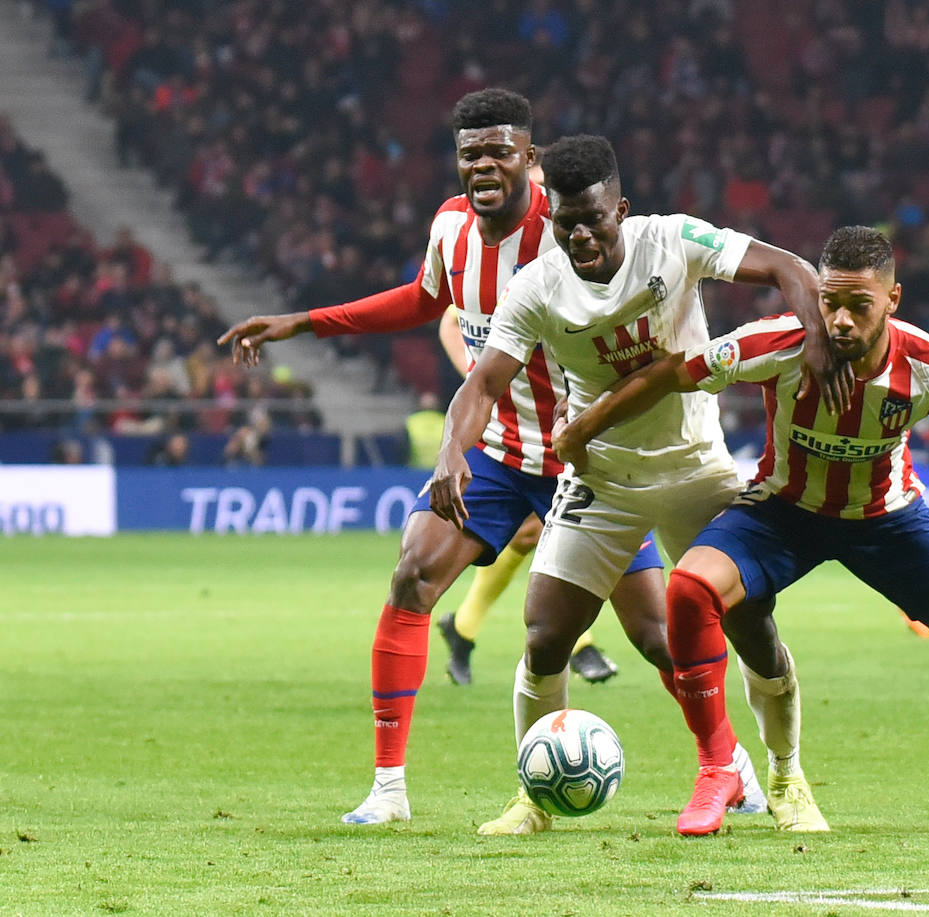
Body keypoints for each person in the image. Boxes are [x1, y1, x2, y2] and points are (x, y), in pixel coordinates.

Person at [553, 224, 929, 837]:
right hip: (784, 513)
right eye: (829, 303)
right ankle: (716, 769)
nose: (838, 321)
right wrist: (584, 424)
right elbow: (672, 372)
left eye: (859, 306)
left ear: (893, 300)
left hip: (888, 522)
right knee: (689, 588)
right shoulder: (775, 343)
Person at [217, 89, 692, 829]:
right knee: (412, 572)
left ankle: (732, 768)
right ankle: (388, 788)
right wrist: (303, 322)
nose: (483, 165)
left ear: (530, 159)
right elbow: (417, 299)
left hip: (583, 461)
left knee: (657, 634)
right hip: (498, 456)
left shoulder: (567, 234)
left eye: (500, 150)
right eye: (470, 152)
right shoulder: (450, 226)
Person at [426, 133, 849, 835]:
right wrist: (451, 452)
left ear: (621, 208)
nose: (581, 234)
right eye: (566, 222)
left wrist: (816, 335)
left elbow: (788, 266)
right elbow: (484, 382)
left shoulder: (673, 240)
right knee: (545, 633)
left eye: (594, 217)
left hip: (697, 470)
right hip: (604, 480)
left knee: (751, 626)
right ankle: (533, 798)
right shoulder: (536, 286)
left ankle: (787, 775)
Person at [431, 303, 620, 686]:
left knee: (535, 532)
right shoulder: (510, 272)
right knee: (546, 529)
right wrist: (477, 377)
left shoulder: (575, 273)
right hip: (527, 433)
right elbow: (451, 321)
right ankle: (579, 643)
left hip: (570, 424)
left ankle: (464, 628)